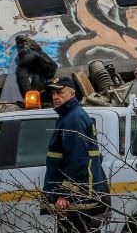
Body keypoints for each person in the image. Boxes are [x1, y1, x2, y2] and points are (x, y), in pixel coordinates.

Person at [44, 76, 109, 233]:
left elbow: (78, 160)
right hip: (79, 198)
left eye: (60, 92)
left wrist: (65, 194)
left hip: (76, 201)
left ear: (72, 94)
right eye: (53, 93)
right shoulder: (70, 116)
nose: (55, 97)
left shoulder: (73, 119)